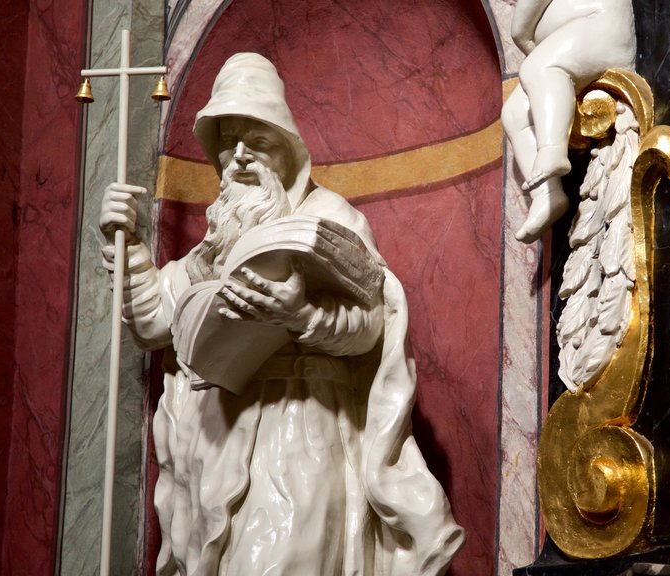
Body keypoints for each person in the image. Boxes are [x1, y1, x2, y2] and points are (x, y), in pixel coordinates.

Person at [99, 53, 463, 576]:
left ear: (286, 147)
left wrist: (303, 315)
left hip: (302, 429)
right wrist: (130, 245)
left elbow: (371, 325)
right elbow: (156, 319)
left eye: (258, 140)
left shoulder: (330, 218)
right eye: (228, 141)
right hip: (217, 440)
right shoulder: (215, 244)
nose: (241, 156)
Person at [501, 0, 637, 242]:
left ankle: (552, 149)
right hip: (572, 44)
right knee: (514, 113)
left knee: (539, 68)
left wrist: (520, 33)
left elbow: (524, 23)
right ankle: (546, 195)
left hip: (600, 26)